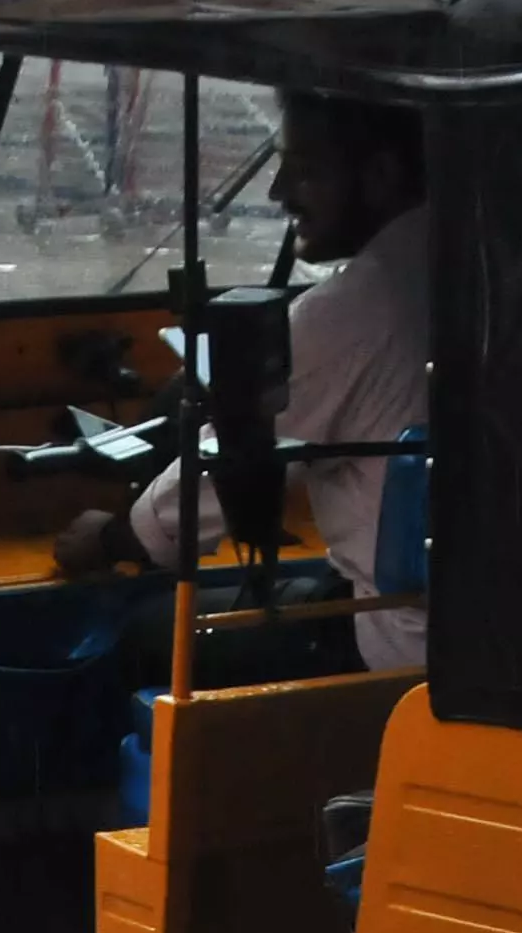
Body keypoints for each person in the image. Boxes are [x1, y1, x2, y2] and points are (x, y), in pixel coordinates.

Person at [54, 91, 433, 678]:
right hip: (504, 624)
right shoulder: (487, 261)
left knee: (142, 634)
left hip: (403, 640)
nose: (279, 191)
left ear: (381, 175)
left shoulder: (353, 310)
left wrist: (110, 539)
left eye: (304, 171)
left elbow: (221, 468)